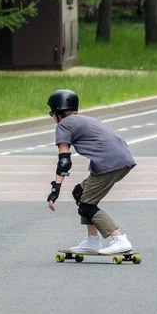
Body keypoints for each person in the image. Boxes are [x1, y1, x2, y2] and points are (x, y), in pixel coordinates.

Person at [46, 89, 136, 254]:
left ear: (57, 112)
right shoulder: (86, 119)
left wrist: (55, 189)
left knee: (87, 206)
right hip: (123, 159)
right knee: (80, 192)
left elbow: (64, 162)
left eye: (51, 112)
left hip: (109, 163)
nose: (52, 116)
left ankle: (119, 239)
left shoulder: (63, 124)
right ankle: (92, 241)